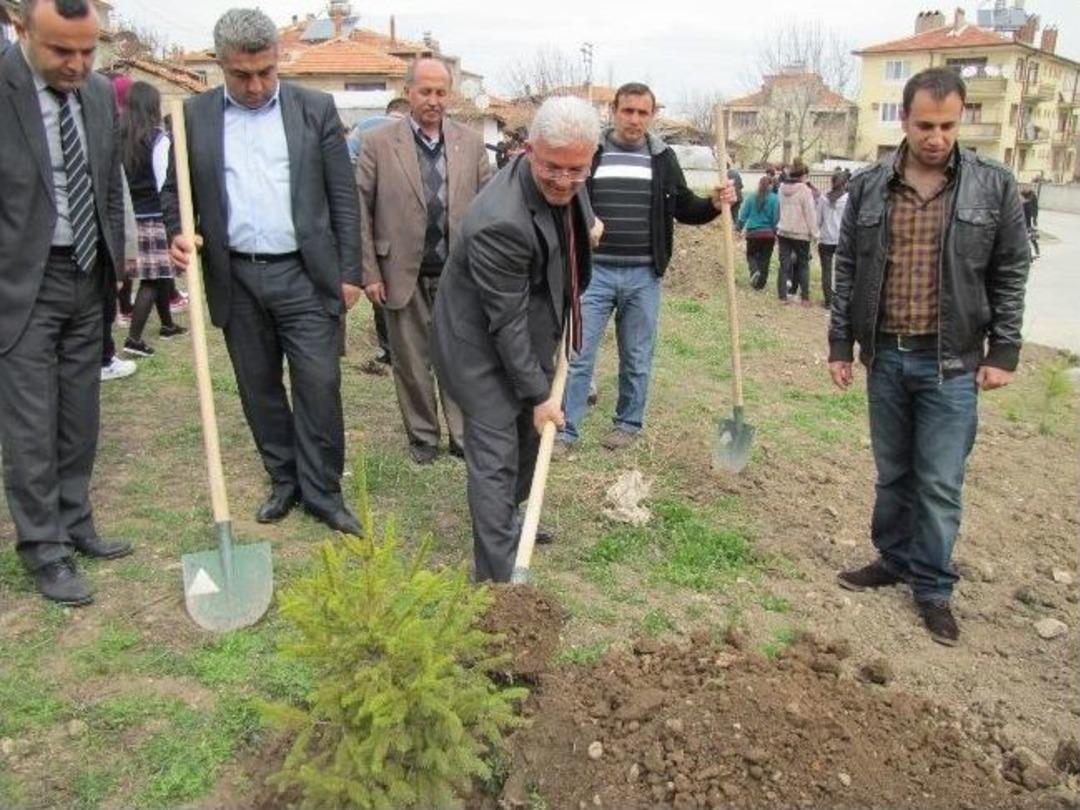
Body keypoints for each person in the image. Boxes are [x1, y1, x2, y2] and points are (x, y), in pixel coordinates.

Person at [828, 67, 1029, 646]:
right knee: (894, 474)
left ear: (960, 119)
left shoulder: (992, 186)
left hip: (953, 364)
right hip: (886, 357)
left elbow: (1011, 269)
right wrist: (842, 344)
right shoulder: (869, 187)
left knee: (940, 482)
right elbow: (849, 269)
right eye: (924, 125)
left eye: (946, 124)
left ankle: (934, 586)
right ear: (904, 120)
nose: (935, 137)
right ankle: (892, 558)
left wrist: (1005, 350)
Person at [163, 7, 363, 536]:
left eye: (265, 72)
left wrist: (350, 272)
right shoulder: (193, 117)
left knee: (318, 384)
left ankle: (323, 492)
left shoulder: (313, 109)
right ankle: (285, 480)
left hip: (305, 275)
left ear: (279, 61)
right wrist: (179, 233)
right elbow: (173, 193)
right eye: (241, 75)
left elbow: (342, 196)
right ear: (220, 65)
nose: (254, 86)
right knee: (259, 387)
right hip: (237, 278)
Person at [432, 96, 598, 582]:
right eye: (553, 168)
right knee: (496, 453)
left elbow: (571, 222)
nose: (565, 181)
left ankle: (508, 519)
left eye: (577, 169)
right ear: (529, 150)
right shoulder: (499, 221)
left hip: (529, 325)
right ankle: (498, 579)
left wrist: (589, 228)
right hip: (476, 344)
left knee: (528, 440)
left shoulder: (570, 180)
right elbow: (504, 324)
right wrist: (538, 396)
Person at [0, 0, 133, 606]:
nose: (78, 64)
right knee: (31, 422)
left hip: (88, 274)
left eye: (88, 50)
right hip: (21, 283)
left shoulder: (101, 94)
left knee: (80, 411)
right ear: (22, 29)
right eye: (62, 51)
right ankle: (43, 547)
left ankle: (75, 520)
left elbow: (107, 179)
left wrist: (120, 254)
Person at [556, 82, 735, 453]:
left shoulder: (662, 158)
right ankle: (565, 430)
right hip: (594, 273)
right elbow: (569, 199)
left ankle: (627, 423)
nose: (634, 119)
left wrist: (714, 204)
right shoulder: (592, 153)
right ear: (614, 112)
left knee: (637, 356)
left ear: (652, 116)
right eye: (627, 111)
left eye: (642, 112)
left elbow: (684, 208)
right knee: (578, 355)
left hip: (643, 276)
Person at [357, 57, 493, 465]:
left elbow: (489, 209)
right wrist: (369, 272)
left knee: (460, 359)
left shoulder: (470, 143)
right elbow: (358, 210)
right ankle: (422, 436)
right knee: (412, 362)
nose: (433, 100)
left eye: (441, 92)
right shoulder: (379, 143)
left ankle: (462, 434)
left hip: (458, 275)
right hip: (400, 273)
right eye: (425, 91)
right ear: (409, 92)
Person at [120, 81, 186, 358]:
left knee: (160, 274)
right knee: (152, 278)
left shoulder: (120, 137)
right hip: (155, 217)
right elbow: (164, 183)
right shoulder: (158, 139)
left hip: (132, 215)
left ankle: (168, 325)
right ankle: (134, 339)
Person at [348, 96, 409, 374]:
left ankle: (388, 349)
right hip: (408, 229)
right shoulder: (413, 133)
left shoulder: (365, 129)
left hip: (372, 226)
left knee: (379, 290)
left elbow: (348, 167)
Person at [776, 158, 818, 305]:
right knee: (803, 265)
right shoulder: (805, 191)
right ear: (802, 176)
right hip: (801, 233)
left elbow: (779, 208)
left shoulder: (781, 188)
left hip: (783, 230)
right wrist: (815, 233)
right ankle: (805, 298)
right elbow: (810, 213)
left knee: (784, 264)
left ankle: (782, 297)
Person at [736, 174, 780, 290]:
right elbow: (776, 219)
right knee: (765, 259)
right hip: (768, 234)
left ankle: (755, 270)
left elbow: (743, 215)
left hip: (753, 234)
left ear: (759, 185)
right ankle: (760, 285)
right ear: (771, 186)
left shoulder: (751, 197)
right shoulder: (775, 198)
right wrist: (775, 232)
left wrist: (739, 227)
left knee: (751, 254)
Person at [816, 171, 848, 308]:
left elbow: (818, 219)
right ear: (845, 183)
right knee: (842, 270)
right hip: (842, 239)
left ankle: (828, 300)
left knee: (826, 270)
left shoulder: (823, 199)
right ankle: (840, 299)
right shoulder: (848, 199)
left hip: (826, 239)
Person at [1020, 187, 1039, 259]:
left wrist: (1034, 219)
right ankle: (1030, 255)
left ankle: (1035, 253)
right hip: (1027, 225)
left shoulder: (1026, 204)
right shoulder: (1025, 204)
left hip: (1027, 225)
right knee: (1028, 240)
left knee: (1030, 239)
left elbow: (1034, 210)